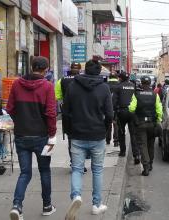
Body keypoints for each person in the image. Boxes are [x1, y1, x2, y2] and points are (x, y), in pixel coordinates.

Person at [7, 56, 57, 219]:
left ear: (32, 67)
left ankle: (17, 206)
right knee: (44, 171)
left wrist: (20, 121)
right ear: (45, 69)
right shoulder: (48, 87)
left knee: (25, 173)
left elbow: (10, 108)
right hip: (41, 136)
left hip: (21, 135)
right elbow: (50, 113)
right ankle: (47, 206)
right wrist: (52, 133)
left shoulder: (16, 84)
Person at [63, 59, 113, 219]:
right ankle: (96, 205)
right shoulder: (104, 88)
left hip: (77, 134)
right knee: (97, 170)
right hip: (97, 135)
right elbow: (110, 114)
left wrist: (69, 131)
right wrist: (105, 130)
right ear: (99, 72)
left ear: (85, 70)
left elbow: (65, 112)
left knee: (77, 169)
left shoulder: (72, 86)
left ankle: (76, 196)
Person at [54, 62, 88, 172]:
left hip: (67, 114)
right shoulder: (84, 80)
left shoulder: (62, 80)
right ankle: (81, 164)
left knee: (71, 139)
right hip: (82, 113)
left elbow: (57, 96)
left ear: (70, 68)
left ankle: (74, 163)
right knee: (82, 139)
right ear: (80, 69)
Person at [129, 76, 163, 176]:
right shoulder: (155, 94)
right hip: (152, 124)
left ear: (141, 83)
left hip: (140, 124)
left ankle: (146, 167)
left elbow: (131, 109)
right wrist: (158, 120)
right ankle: (151, 164)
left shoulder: (136, 94)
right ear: (150, 84)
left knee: (142, 145)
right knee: (150, 144)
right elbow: (159, 110)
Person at [113, 73, 139, 160]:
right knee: (133, 134)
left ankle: (122, 151)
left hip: (122, 112)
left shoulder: (118, 86)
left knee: (121, 132)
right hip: (132, 112)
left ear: (120, 78)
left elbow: (114, 101)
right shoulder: (133, 85)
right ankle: (136, 154)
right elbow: (136, 98)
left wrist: (114, 113)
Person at [106, 73, 120, 146]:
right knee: (116, 124)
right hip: (117, 107)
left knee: (108, 123)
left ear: (109, 77)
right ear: (117, 77)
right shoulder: (119, 85)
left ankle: (107, 140)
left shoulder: (105, 85)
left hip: (107, 107)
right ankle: (116, 141)